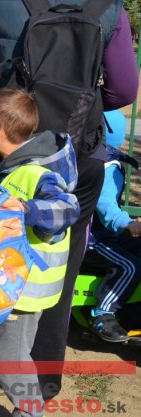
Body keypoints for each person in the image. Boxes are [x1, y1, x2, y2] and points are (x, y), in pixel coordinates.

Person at [0, 0, 138, 399]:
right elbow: (125, 91)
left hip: (9, 152)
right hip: (76, 158)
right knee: (59, 265)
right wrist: (83, 102)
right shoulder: (108, 7)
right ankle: (40, 383)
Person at [0, 89, 80, 417]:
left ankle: (31, 411)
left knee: (11, 359)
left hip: (26, 290)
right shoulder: (6, 165)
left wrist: (27, 209)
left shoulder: (36, 172)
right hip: (10, 282)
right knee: (4, 350)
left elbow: (67, 207)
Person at [85, 110, 141, 343]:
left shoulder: (97, 157)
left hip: (103, 233)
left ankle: (131, 310)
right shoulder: (105, 166)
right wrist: (127, 223)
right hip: (92, 239)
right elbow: (106, 207)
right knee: (129, 266)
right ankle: (103, 313)